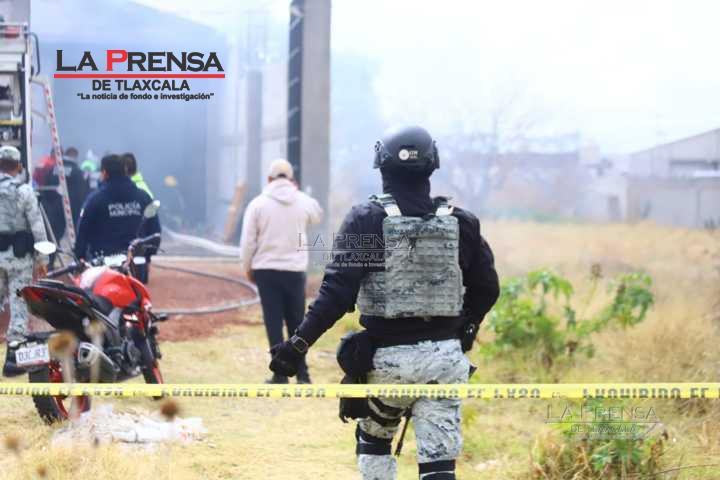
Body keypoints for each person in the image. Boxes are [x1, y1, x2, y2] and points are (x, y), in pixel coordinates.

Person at [268, 127, 500, 480]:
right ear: (433, 165)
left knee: (375, 442)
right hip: (445, 363)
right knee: (439, 460)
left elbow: (336, 294)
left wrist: (297, 345)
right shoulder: (462, 222)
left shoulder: (367, 219)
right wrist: (467, 327)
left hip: (386, 365)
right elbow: (488, 288)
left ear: (381, 165)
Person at [240, 158, 323, 384]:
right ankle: (303, 374)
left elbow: (248, 242)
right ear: (292, 179)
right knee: (298, 324)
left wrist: (247, 268)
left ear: (269, 179)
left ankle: (279, 374)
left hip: (266, 270)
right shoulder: (303, 201)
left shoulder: (257, 204)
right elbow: (318, 215)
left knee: (273, 323)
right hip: (295, 271)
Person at [0, 146, 49, 377]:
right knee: (18, 303)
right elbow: (37, 227)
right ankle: (13, 357)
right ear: (19, 166)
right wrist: (42, 258)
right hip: (19, 259)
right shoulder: (25, 191)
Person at [74, 154, 160, 279]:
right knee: (135, 291)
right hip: (135, 263)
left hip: (103, 264)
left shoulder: (95, 199)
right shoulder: (143, 197)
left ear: (104, 173)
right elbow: (155, 229)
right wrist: (148, 255)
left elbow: (83, 230)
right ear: (125, 170)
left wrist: (79, 257)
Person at [38, 146, 89, 244]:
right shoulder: (78, 172)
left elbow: (45, 187)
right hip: (72, 209)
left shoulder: (53, 169)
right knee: (75, 237)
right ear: (75, 156)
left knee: (53, 237)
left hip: (53, 208)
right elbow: (81, 193)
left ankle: (52, 252)